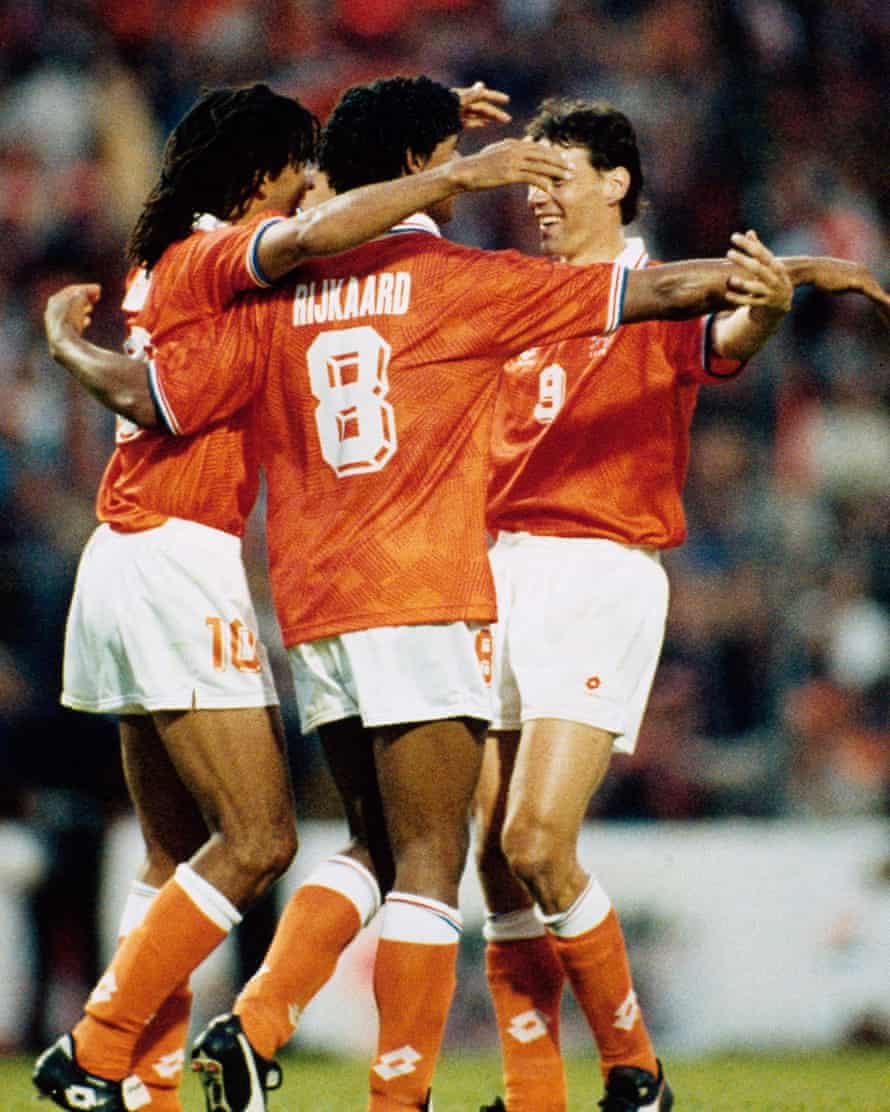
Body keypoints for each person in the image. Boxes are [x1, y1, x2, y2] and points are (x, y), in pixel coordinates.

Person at [40, 76, 874, 1112]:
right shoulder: (462, 282)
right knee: (432, 860)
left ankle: (229, 1037)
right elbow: (659, 294)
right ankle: (368, 1092)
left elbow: (190, 360)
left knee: (368, 841)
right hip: (423, 588)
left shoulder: (276, 289)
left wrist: (420, 121)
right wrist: (793, 272)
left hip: (311, 603)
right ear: (419, 170)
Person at [32, 79, 578, 1112]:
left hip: (127, 553)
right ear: (258, 178)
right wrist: (454, 175)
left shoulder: (172, 265)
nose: (308, 184)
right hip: (178, 557)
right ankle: (95, 1049)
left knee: (172, 849)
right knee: (259, 840)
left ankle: (142, 1087)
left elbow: (321, 230)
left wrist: (415, 123)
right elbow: (174, 369)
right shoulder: (219, 253)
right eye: (296, 167)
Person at [472, 98, 890, 1112]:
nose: (537, 198)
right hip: (496, 569)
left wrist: (773, 304)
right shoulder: (521, 295)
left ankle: (636, 1072)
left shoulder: (654, 293)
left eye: (556, 177)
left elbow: (731, 330)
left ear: (616, 182)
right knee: (491, 855)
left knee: (536, 841)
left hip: (594, 569)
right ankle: (534, 1095)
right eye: (530, 181)